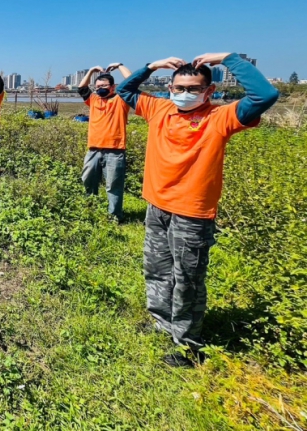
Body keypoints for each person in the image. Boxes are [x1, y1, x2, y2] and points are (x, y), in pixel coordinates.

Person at [117, 52, 278, 367]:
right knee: (157, 270)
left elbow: (266, 95)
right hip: (157, 205)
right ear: (170, 88)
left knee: (187, 278)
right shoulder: (159, 108)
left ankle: (189, 346)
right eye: (178, 88)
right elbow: (125, 92)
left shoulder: (220, 117)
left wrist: (228, 58)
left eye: (193, 88)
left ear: (209, 92)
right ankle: (162, 323)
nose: (184, 93)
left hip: (192, 213)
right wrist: (151, 67)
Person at [78, 62, 133, 222]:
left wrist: (120, 66)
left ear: (113, 87)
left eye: (104, 85)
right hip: (93, 150)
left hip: (115, 151)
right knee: (88, 179)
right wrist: (90, 70)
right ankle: (91, 209)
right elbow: (81, 88)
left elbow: (132, 81)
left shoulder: (120, 100)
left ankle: (114, 216)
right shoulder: (94, 99)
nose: (100, 88)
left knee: (113, 186)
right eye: (98, 86)